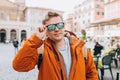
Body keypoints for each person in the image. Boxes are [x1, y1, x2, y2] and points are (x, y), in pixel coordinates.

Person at [12, 12, 98, 80]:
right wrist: (35, 39)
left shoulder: (80, 47)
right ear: (46, 30)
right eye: (51, 27)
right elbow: (19, 66)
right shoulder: (41, 50)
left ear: (64, 26)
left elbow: (91, 73)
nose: (56, 29)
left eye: (59, 25)